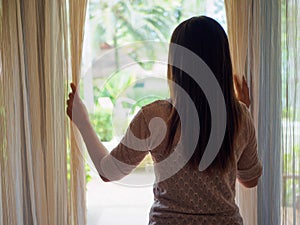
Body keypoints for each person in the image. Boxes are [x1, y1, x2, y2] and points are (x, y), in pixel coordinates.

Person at [66, 16, 262, 225]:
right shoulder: (240, 117)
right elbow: (249, 180)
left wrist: (82, 120)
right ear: (223, 63)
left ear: (176, 64)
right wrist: (241, 113)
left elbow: (109, 172)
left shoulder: (155, 116)